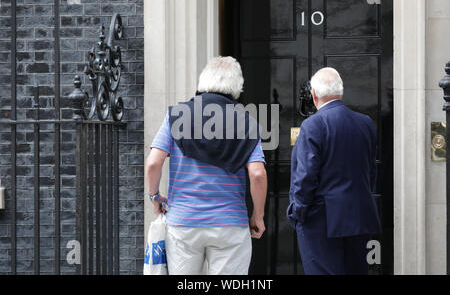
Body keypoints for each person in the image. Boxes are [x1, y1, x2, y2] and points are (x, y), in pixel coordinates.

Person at [145, 56, 267, 275]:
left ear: (203, 82)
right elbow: (257, 174)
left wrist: (155, 198)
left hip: (184, 223)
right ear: (237, 86)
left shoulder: (176, 116)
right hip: (229, 224)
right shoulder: (247, 121)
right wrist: (258, 216)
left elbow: (154, 162)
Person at [287, 67, 382, 275]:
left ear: (314, 95)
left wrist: (298, 211)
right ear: (340, 91)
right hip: (359, 216)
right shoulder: (365, 123)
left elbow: (305, 176)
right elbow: (371, 171)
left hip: (321, 220)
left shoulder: (313, 124)